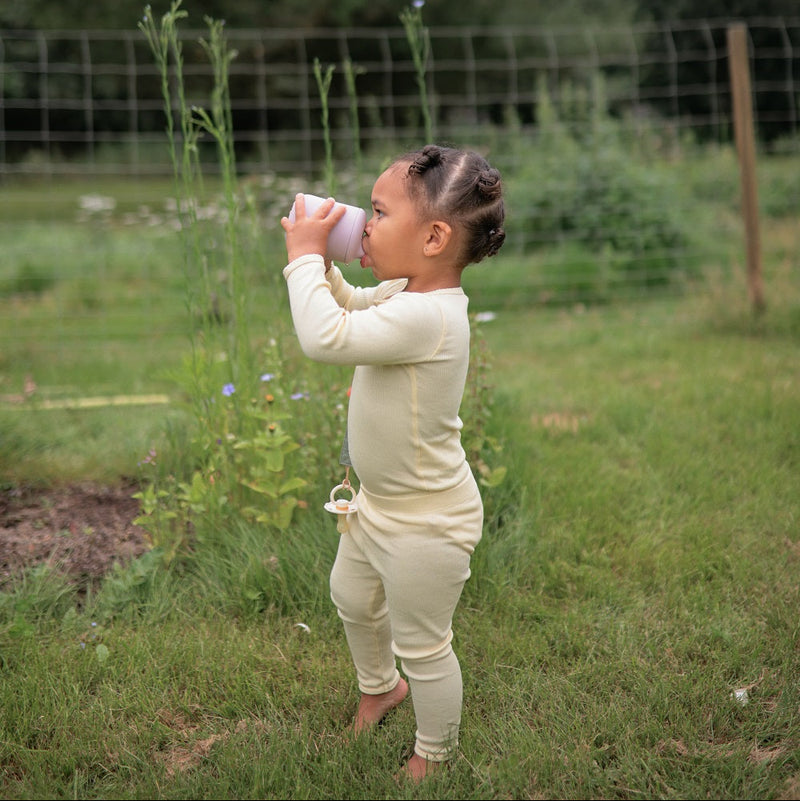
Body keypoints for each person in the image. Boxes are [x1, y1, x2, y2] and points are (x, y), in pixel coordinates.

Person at [280, 144, 505, 782]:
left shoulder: (431, 317)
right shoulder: (405, 292)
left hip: (427, 524)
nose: (366, 224)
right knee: (350, 597)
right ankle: (380, 690)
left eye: (377, 212)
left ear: (434, 237)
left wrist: (301, 259)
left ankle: (434, 754)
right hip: (379, 506)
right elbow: (349, 306)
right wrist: (323, 264)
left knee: (424, 646)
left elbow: (325, 337)